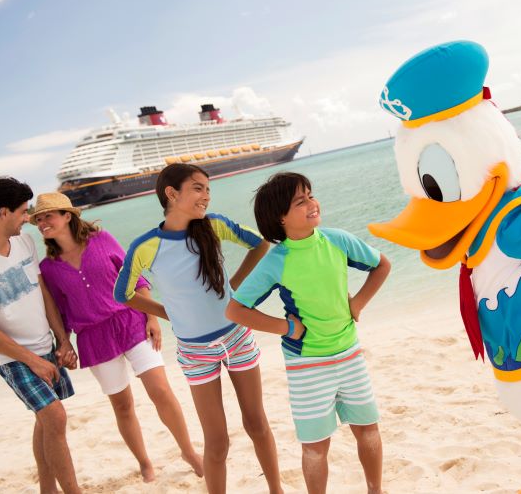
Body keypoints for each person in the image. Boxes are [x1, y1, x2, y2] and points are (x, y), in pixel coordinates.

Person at [113, 163, 283, 494]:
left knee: (257, 423)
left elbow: (260, 245)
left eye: (208, 189)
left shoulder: (214, 225)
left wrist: (233, 288)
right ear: (171, 194)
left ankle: (277, 490)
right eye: (198, 188)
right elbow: (123, 294)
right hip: (195, 352)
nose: (206, 195)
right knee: (217, 441)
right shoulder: (146, 246)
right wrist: (168, 313)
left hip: (237, 336)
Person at [226, 172, 391, 494]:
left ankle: (376, 490)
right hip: (308, 365)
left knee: (368, 430)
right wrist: (285, 327)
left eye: (310, 196)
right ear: (280, 218)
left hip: (349, 352)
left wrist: (358, 303)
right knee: (315, 446)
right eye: (300, 202)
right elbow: (235, 310)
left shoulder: (337, 240)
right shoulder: (276, 261)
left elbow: (382, 265)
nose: (312, 204)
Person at [31, 192, 204, 482]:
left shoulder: (101, 239)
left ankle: (188, 452)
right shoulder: (48, 268)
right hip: (93, 339)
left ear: (67, 216)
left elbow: (134, 276)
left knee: (160, 391)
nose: (42, 222)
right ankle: (145, 462)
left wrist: (152, 317)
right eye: (37, 219)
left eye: (48, 216)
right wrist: (64, 343)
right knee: (122, 405)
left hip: (131, 321)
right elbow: (59, 311)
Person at [0, 177, 81, 494]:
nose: (29, 219)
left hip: (44, 345)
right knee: (55, 417)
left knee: (46, 422)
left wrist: (62, 339)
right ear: (3, 212)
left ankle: (47, 490)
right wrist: (32, 361)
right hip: (12, 357)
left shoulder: (24, 242)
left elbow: (43, 293)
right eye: (24, 212)